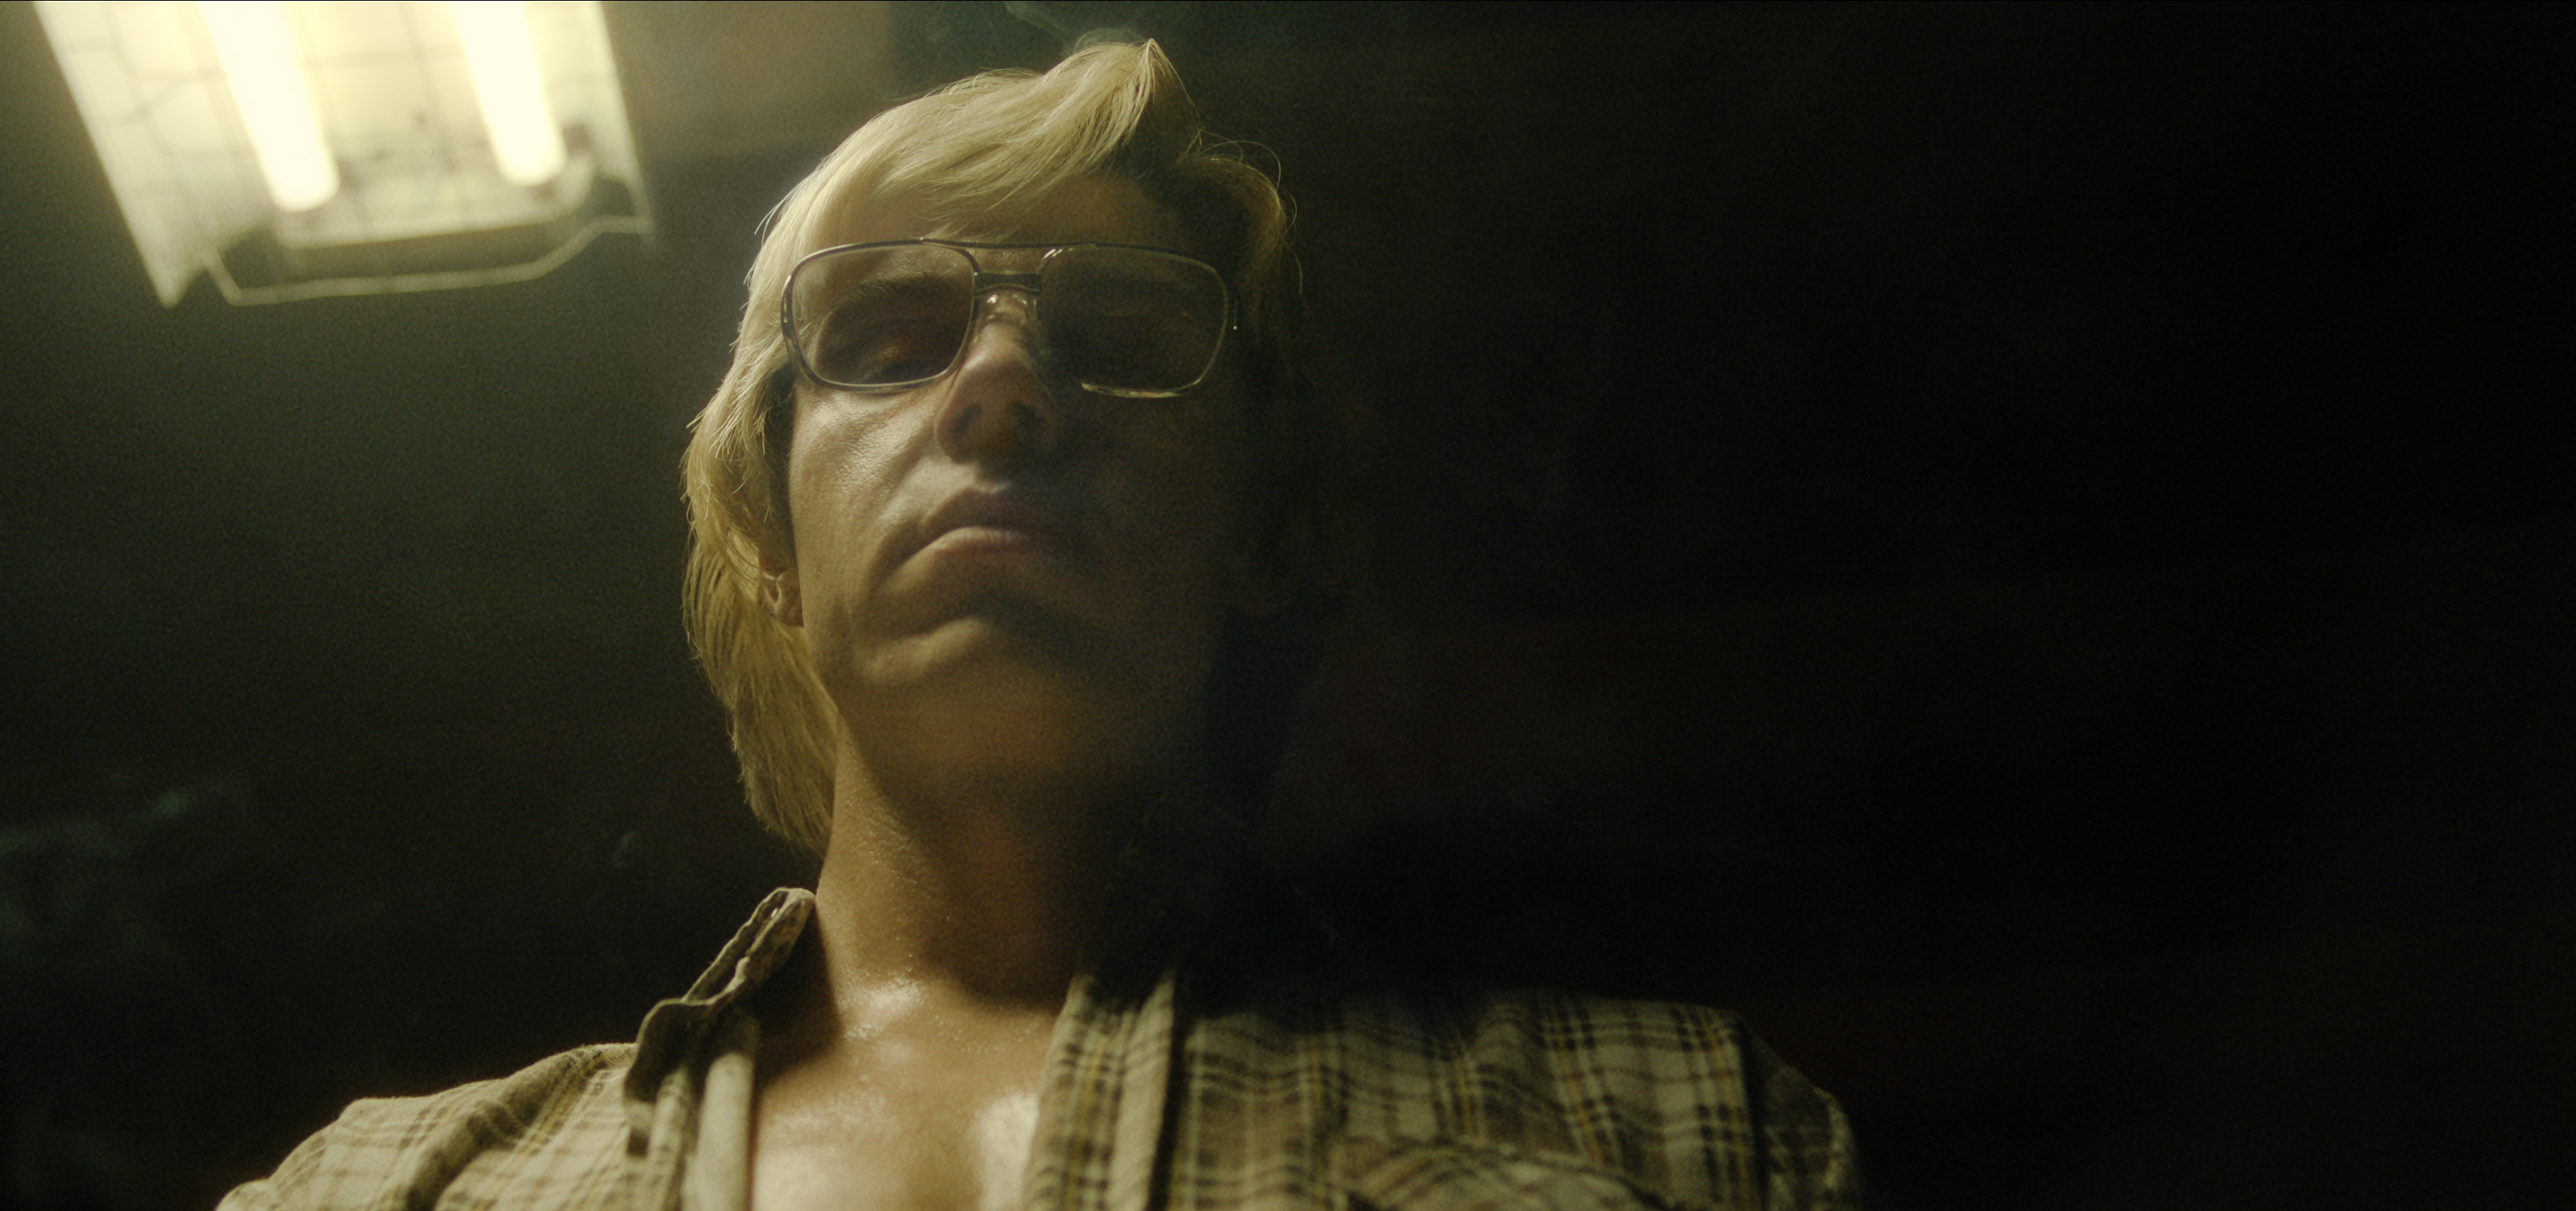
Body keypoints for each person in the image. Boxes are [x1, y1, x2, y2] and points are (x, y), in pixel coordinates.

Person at [221, 40, 1858, 1211]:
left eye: (1123, 335)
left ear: (1263, 526)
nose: (1003, 383)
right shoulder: (384, 1188)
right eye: (888, 334)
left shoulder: (1677, 1133)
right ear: (770, 531)